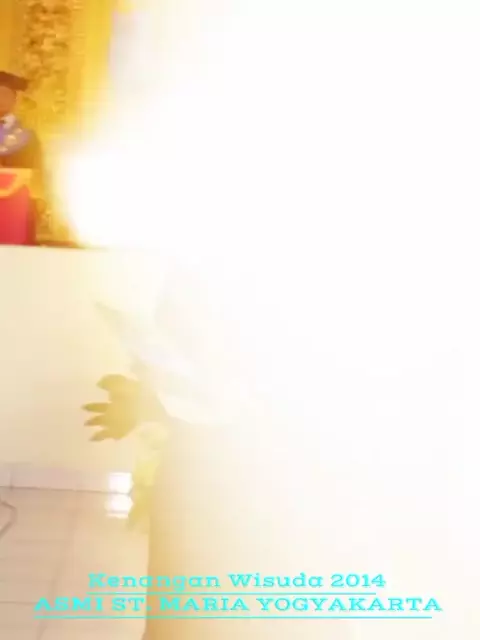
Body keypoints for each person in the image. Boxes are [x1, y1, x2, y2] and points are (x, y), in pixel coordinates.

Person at [0, 71, 45, 243]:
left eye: (5, 94)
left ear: (14, 99)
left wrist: (8, 191)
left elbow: (35, 172)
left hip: (17, 205)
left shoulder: (27, 136)